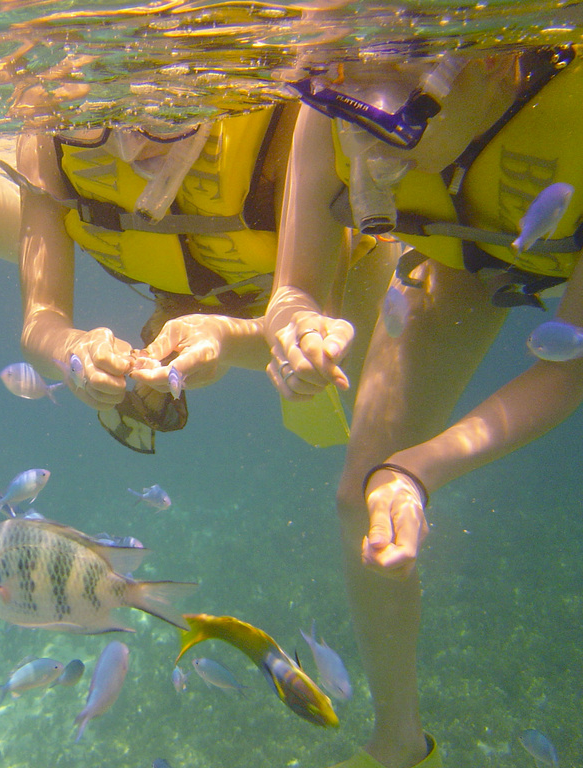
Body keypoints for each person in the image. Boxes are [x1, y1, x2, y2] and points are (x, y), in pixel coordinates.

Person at [264, 46, 583, 768]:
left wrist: (420, 470)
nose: (368, 143)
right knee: (360, 498)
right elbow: (293, 289)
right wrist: (295, 327)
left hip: (516, 240)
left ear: (492, 66)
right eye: (348, 104)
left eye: (395, 120)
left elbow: (570, 370)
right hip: (456, 255)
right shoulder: (330, 81)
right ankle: (400, 744)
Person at [16, 106, 390, 452]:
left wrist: (224, 338)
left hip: (347, 273)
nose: (129, 148)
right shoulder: (47, 122)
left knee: (381, 445)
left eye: (163, 116)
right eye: (96, 121)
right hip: (175, 267)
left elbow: (306, 324)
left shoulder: (290, 118)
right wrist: (72, 351)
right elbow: (40, 321)